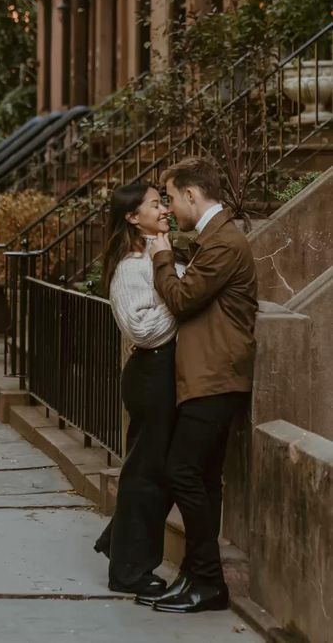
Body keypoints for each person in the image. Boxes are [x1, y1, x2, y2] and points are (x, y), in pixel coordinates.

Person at [137, 156, 258, 614]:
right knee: (203, 478)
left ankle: (208, 579)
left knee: (182, 471)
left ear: (192, 194)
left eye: (169, 197)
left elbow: (184, 299)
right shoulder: (214, 239)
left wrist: (162, 254)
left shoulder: (224, 242)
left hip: (216, 376)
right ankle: (198, 575)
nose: (168, 207)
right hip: (209, 375)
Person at [95, 183, 186, 596]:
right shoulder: (133, 264)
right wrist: (180, 297)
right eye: (156, 203)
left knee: (153, 471)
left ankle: (120, 548)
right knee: (147, 474)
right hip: (151, 373)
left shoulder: (154, 252)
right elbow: (143, 330)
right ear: (133, 217)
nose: (164, 208)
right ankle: (128, 572)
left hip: (161, 374)